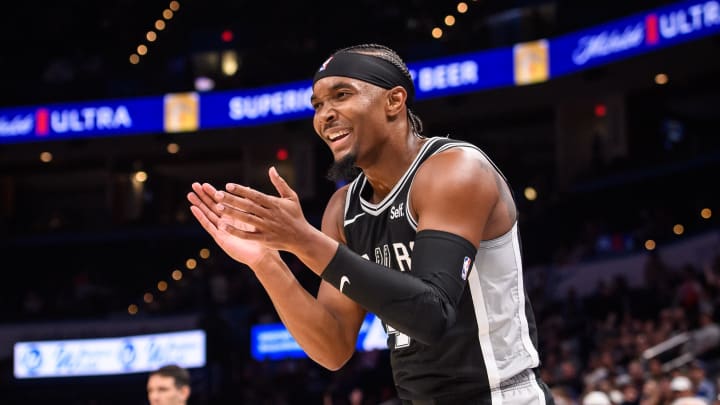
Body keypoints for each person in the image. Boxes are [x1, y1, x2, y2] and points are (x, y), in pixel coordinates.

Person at [188, 43, 554, 404]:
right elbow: (332, 348)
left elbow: (432, 316)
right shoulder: (343, 208)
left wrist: (303, 240)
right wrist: (266, 262)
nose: (324, 115)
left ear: (394, 101)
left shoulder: (455, 169)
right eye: (317, 105)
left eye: (341, 95)